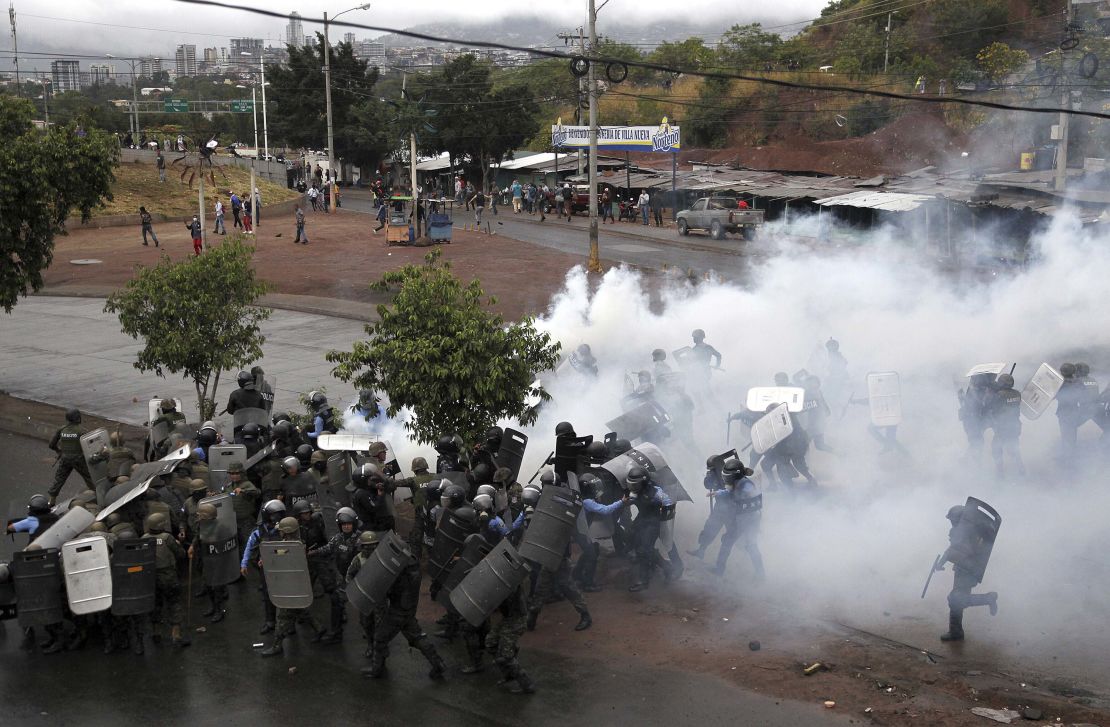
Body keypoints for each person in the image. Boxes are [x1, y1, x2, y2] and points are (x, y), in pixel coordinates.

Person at [362, 548, 447, 680]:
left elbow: (387, 591)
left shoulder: (400, 574)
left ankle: (376, 669)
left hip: (397, 611)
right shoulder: (414, 569)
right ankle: (438, 663)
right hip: (409, 610)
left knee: (379, 637)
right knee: (418, 638)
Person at [259, 517, 327, 656]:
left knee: (283, 616)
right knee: (301, 609)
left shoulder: (296, 546)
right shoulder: (293, 544)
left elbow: (281, 556)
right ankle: (319, 628)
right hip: (292, 584)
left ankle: (277, 645)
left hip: (291, 585)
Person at [936, 505, 998, 642]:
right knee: (957, 599)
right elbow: (953, 549)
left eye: (952, 519)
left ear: (959, 519)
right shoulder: (970, 531)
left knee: (956, 599)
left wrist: (941, 563)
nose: (951, 522)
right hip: (968, 569)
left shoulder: (961, 532)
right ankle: (956, 631)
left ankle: (988, 598)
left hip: (966, 570)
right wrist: (941, 563)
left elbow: (952, 550)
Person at [704, 459, 764, 578]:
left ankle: (760, 575)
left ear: (734, 475)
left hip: (749, 520)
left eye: (727, 476)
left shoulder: (746, 485)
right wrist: (718, 493)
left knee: (751, 545)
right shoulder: (738, 482)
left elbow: (748, 496)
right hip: (742, 518)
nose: (726, 479)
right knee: (729, 542)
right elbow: (729, 491)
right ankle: (719, 569)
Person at [142, 512, 190, 649]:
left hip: (151, 576)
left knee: (156, 605)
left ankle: (156, 632)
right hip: (168, 575)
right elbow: (180, 554)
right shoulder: (167, 538)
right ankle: (176, 635)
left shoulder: (144, 538)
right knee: (174, 603)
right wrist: (178, 544)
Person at [625, 466, 673, 591]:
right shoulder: (635, 491)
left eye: (635, 484)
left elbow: (668, 502)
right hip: (641, 519)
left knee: (644, 550)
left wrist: (663, 514)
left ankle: (643, 581)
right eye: (631, 484)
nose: (633, 487)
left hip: (653, 523)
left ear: (644, 482)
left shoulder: (656, 491)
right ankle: (667, 567)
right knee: (634, 542)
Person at [47, 408, 95, 506]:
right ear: (78, 418)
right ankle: (98, 496)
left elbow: (51, 445)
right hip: (78, 459)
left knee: (59, 479)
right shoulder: (82, 431)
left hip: (65, 458)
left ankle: (51, 501)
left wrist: (59, 451)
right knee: (89, 477)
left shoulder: (61, 429)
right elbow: (91, 446)